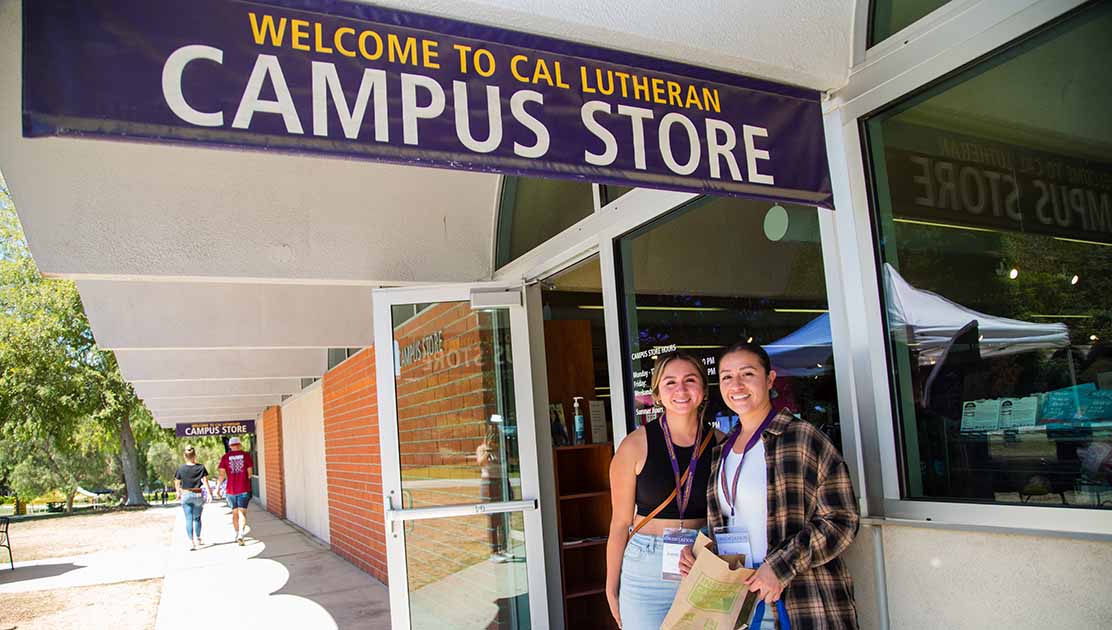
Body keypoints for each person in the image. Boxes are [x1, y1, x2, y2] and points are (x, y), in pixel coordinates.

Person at [680, 341, 860, 629]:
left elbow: (841, 520)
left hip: (799, 600)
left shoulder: (802, 438)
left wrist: (779, 568)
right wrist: (700, 554)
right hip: (739, 602)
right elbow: (734, 524)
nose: (736, 384)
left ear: (770, 379)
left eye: (747, 374)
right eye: (727, 376)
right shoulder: (721, 450)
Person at [606, 351, 721, 629]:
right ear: (657, 394)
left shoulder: (721, 444)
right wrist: (611, 585)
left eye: (690, 380)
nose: (680, 389)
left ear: (703, 390)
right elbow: (620, 524)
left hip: (701, 559)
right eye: (670, 382)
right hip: (645, 568)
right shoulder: (634, 446)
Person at [173, 446, 213, 551]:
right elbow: (205, 481)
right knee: (197, 518)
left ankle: (191, 542)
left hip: (186, 495)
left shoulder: (181, 468)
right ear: (195, 455)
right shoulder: (201, 467)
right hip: (198, 494)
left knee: (188, 518)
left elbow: (177, 481)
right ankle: (199, 538)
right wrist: (209, 494)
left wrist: (178, 492)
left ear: (184, 456)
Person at [218, 436, 255, 545]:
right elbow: (250, 473)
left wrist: (217, 488)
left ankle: (236, 533)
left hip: (231, 490)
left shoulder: (225, 457)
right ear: (240, 444)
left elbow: (221, 474)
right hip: (244, 488)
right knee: (242, 513)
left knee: (234, 513)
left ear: (230, 446)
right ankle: (241, 534)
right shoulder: (246, 455)